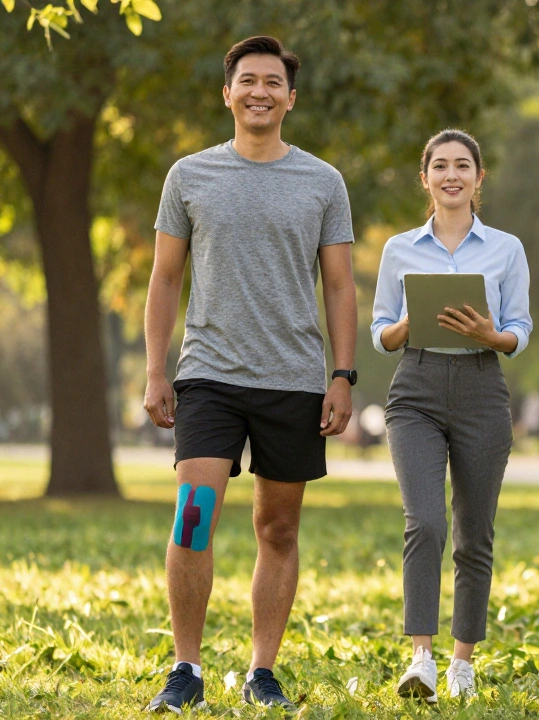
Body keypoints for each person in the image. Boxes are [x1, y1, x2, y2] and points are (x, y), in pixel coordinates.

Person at [142, 35, 357, 713]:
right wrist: (156, 371)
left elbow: (342, 287)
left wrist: (343, 374)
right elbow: (165, 278)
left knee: (278, 528)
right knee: (193, 515)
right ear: (227, 93)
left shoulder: (323, 182)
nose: (260, 91)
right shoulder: (189, 175)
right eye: (248, 80)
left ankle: (262, 670)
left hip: (293, 377)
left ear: (290, 99)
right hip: (207, 373)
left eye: (273, 82)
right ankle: (187, 668)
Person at [370, 129, 532, 703]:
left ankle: (462, 660)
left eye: (463, 165)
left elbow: (520, 329)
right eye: (440, 166)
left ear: (478, 178)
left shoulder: (506, 249)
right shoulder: (399, 250)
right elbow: (380, 332)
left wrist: (492, 335)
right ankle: (421, 657)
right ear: (426, 178)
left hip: (482, 387)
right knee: (425, 523)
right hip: (414, 387)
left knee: (472, 533)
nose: (451, 175)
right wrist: (411, 323)